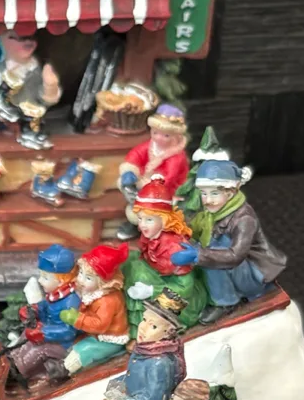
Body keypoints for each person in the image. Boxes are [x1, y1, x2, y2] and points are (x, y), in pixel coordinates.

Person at [171, 159, 287, 325]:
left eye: (214, 194)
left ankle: (225, 302)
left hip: (253, 274)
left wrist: (199, 254)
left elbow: (235, 255)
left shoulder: (244, 219)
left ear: (231, 192)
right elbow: (194, 228)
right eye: (204, 193)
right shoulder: (213, 212)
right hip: (236, 269)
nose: (207, 200)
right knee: (204, 249)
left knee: (215, 251)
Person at [122, 174, 209, 335]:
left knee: (141, 277)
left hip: (179, 299)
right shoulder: (149, 237)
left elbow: (185, 288)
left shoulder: (175, 248)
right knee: (131, 264)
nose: (142, 225)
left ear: (164, 220)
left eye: (149, 220)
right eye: (140, 219)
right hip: (160, 279)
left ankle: (145, 329)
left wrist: (151, 290)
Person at [0, 32, 62, 150]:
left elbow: (46, 98)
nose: (27, 42)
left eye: (30, 38)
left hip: (33, 114)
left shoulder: (36, 67)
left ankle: (35, 137)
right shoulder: (1, 71)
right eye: (19, 39)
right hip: (8, 118)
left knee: (34, 126)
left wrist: (50, 87)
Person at [104, 290, 187, 400]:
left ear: (168, 333)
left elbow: (153, 399)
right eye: (144, 319)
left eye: (153, 326)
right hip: (133, 399)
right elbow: (134, 377)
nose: (143, 327)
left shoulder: (159, 363)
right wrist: (117, 382)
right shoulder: (144, 350)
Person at [8, 244, 80, 385]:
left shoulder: (71, 301)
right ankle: (11, 357)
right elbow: (45, 307)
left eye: (45, 277)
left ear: (61, 280)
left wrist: (44, 332)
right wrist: (34, 309)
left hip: (64, 344)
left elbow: (69, 331)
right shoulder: (55, 295)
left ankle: (16, 372)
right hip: (48, 334)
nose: (40, 281)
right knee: (27, 336)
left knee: (40, 350)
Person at [117, 104, 189, 241]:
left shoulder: (177, 156)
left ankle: (151, 228)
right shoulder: (151, 146)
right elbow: (136, 154)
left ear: (176, 136)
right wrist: (130, 170)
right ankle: (134, 211)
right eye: (155, 133)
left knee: (154, 211)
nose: (158, 138)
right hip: (145, 180)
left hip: (166, 190)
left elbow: (169, 178)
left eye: (166, 135)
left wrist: (148, 186)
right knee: (124, 183)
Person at [57, 243, 130, 378]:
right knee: (74, 345)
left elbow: (100, 325)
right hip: (94, 335)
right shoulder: (92, 292)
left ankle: (63, 371)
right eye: (81, 273)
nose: (81, 280)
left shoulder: (107, 300)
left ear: (103, 282)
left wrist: (77, 318)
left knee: (84, 350)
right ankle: (64, 366)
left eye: (88, 278)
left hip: (109, 339)